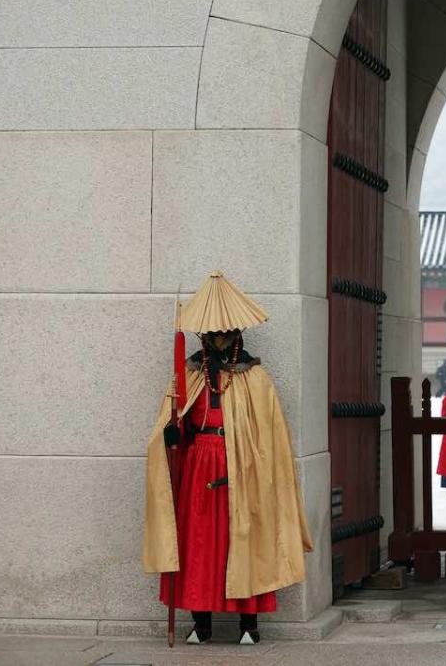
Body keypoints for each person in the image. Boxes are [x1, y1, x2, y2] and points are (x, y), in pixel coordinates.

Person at [144, 272, 313, 645]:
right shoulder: (187, 376)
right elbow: (174, 422)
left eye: (225, 333)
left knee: (244, 539)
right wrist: (174, 434)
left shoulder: (256, 378)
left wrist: (254, 464)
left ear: (237, 332)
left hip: (243, 468)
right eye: (211, 334)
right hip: (197, 465)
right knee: (198, 542)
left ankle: (249, 625)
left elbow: (270, 437)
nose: (218, 339)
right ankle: (200, 622)